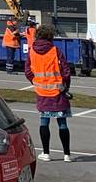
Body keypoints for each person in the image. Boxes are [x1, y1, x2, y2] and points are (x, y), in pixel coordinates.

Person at [25, 23, 73, 162]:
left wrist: (34, 81)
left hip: (42, 91)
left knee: (44, 122)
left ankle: (46, 153)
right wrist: (66, 87)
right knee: (62, 123)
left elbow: (28, 70)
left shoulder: (32, 51)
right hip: (58, 91)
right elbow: (66, 71)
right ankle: (67, 154)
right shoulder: (55, 50)